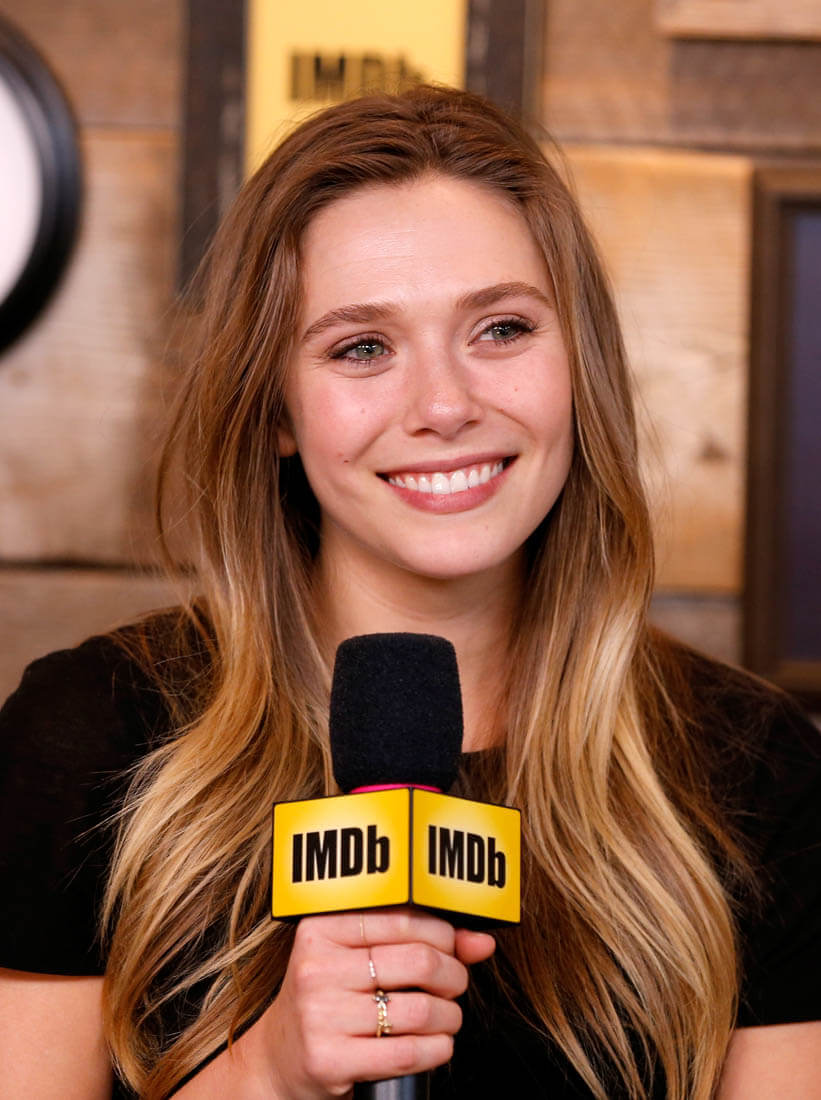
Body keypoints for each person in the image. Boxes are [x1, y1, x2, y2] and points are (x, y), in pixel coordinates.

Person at [0, 84, 819, 1100]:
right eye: (362, 347)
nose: (443, 404)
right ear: (275, 411)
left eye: (501, 329)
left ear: (581, 367)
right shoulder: (83, 737)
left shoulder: (756, 770)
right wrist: (265, 1073)